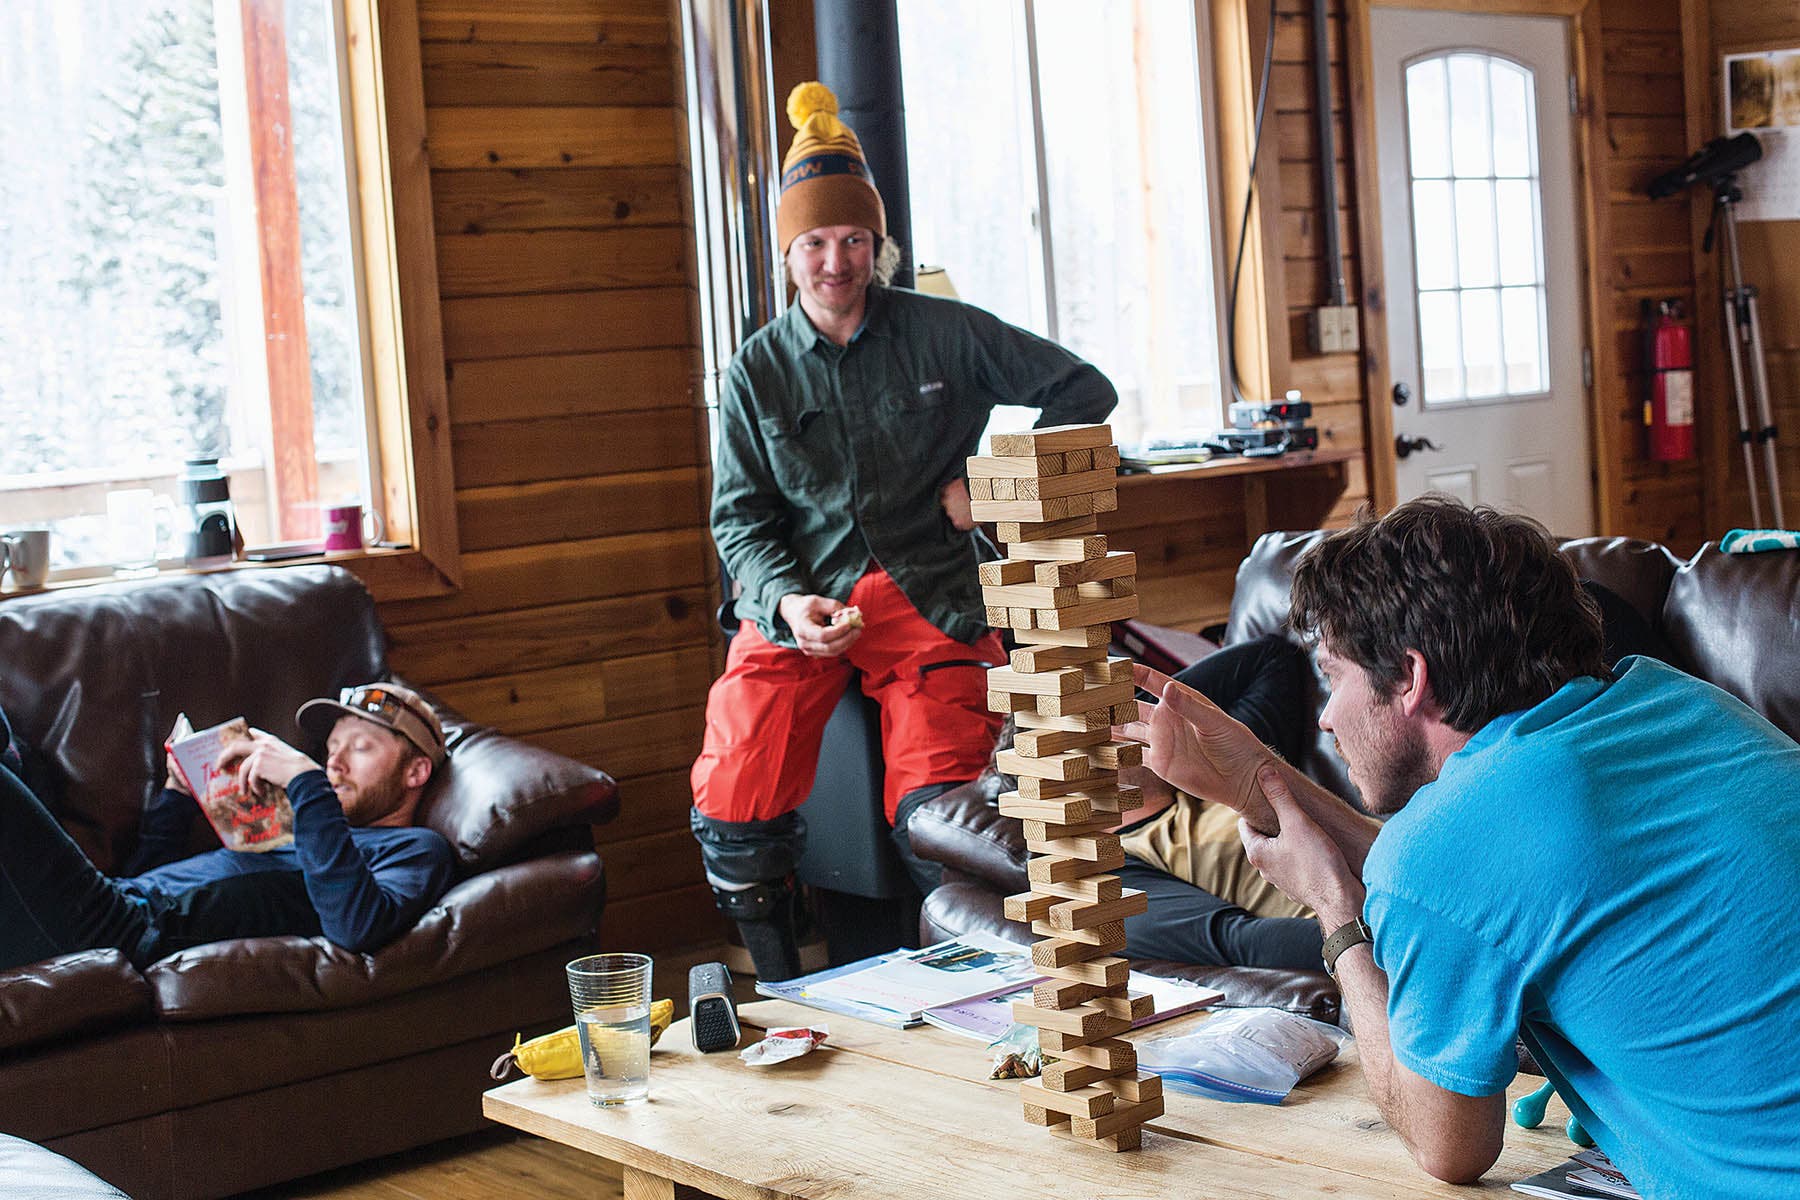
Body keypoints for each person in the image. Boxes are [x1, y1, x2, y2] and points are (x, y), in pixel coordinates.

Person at [1128, 497, 1800, 1198]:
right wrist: (1258, 777)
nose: (1325, 717)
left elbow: (1449, 1147)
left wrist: (1335, 912)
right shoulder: (1672, 700)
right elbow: (1459, 883)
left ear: (1412, 678)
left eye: (1334, 676)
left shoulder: (1451, 847)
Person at [690, 81, 1118, 980]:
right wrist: (785, 602)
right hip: (801, 602)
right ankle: (777, 987)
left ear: (877, 245)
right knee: (734, 781)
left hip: (927, 592)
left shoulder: (945, 333)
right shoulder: (755, 371)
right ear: (789, 254)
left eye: (852, 240)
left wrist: (993, 488)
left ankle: (965, 987)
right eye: (814, 242)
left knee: (947, 798)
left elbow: (1085, 389)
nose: (835, 262)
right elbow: (740, 517)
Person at [0, 682, 456, 973]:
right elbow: (150, 881)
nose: (334, 761)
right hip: (109, 903)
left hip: (115, 934)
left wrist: (305, 782)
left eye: (361, 747)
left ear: (416, 772)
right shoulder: (298, 826)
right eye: (332, 747)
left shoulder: (414, 849)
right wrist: (178, 799)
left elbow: (356, 928)